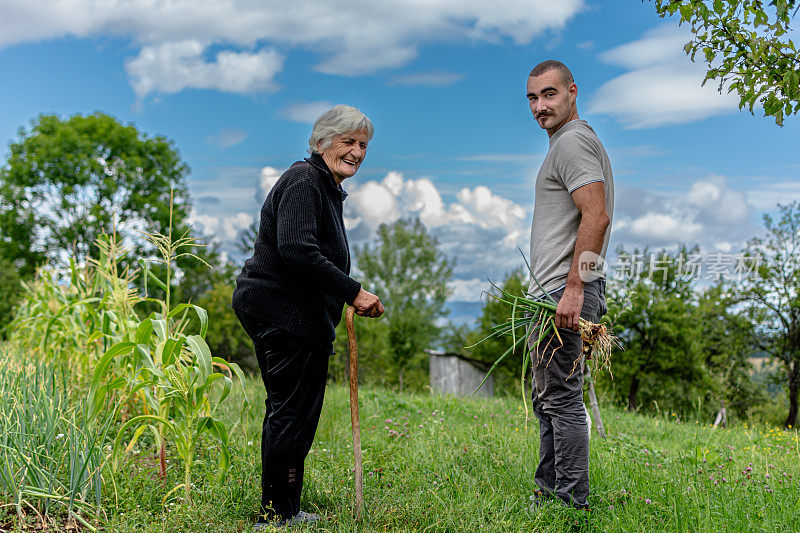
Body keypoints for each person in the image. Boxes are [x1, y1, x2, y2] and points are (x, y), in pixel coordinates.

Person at [232, 105, 384, 529]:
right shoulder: (304, 181)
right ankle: (276, 515)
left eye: (362, 145)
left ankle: (285, 508)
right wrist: (354, 292)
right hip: (283, 312)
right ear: (321, 143)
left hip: (294, 313)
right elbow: (297, 250)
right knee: (291, 411)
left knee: (295, 410)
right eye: (347, 142)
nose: (356, 152)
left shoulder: (322, 185)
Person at [525, 60, 614, 510]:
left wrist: (575, 287)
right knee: (550, 397)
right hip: (558, 289)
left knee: (560, 397)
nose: (540, 106)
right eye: (533, 98)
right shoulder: (569, 142)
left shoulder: (573, 142)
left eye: (549, 94)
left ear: (572, 92)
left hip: (565, 289)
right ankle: (548, 491)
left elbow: (596, 215)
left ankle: (569, 503)